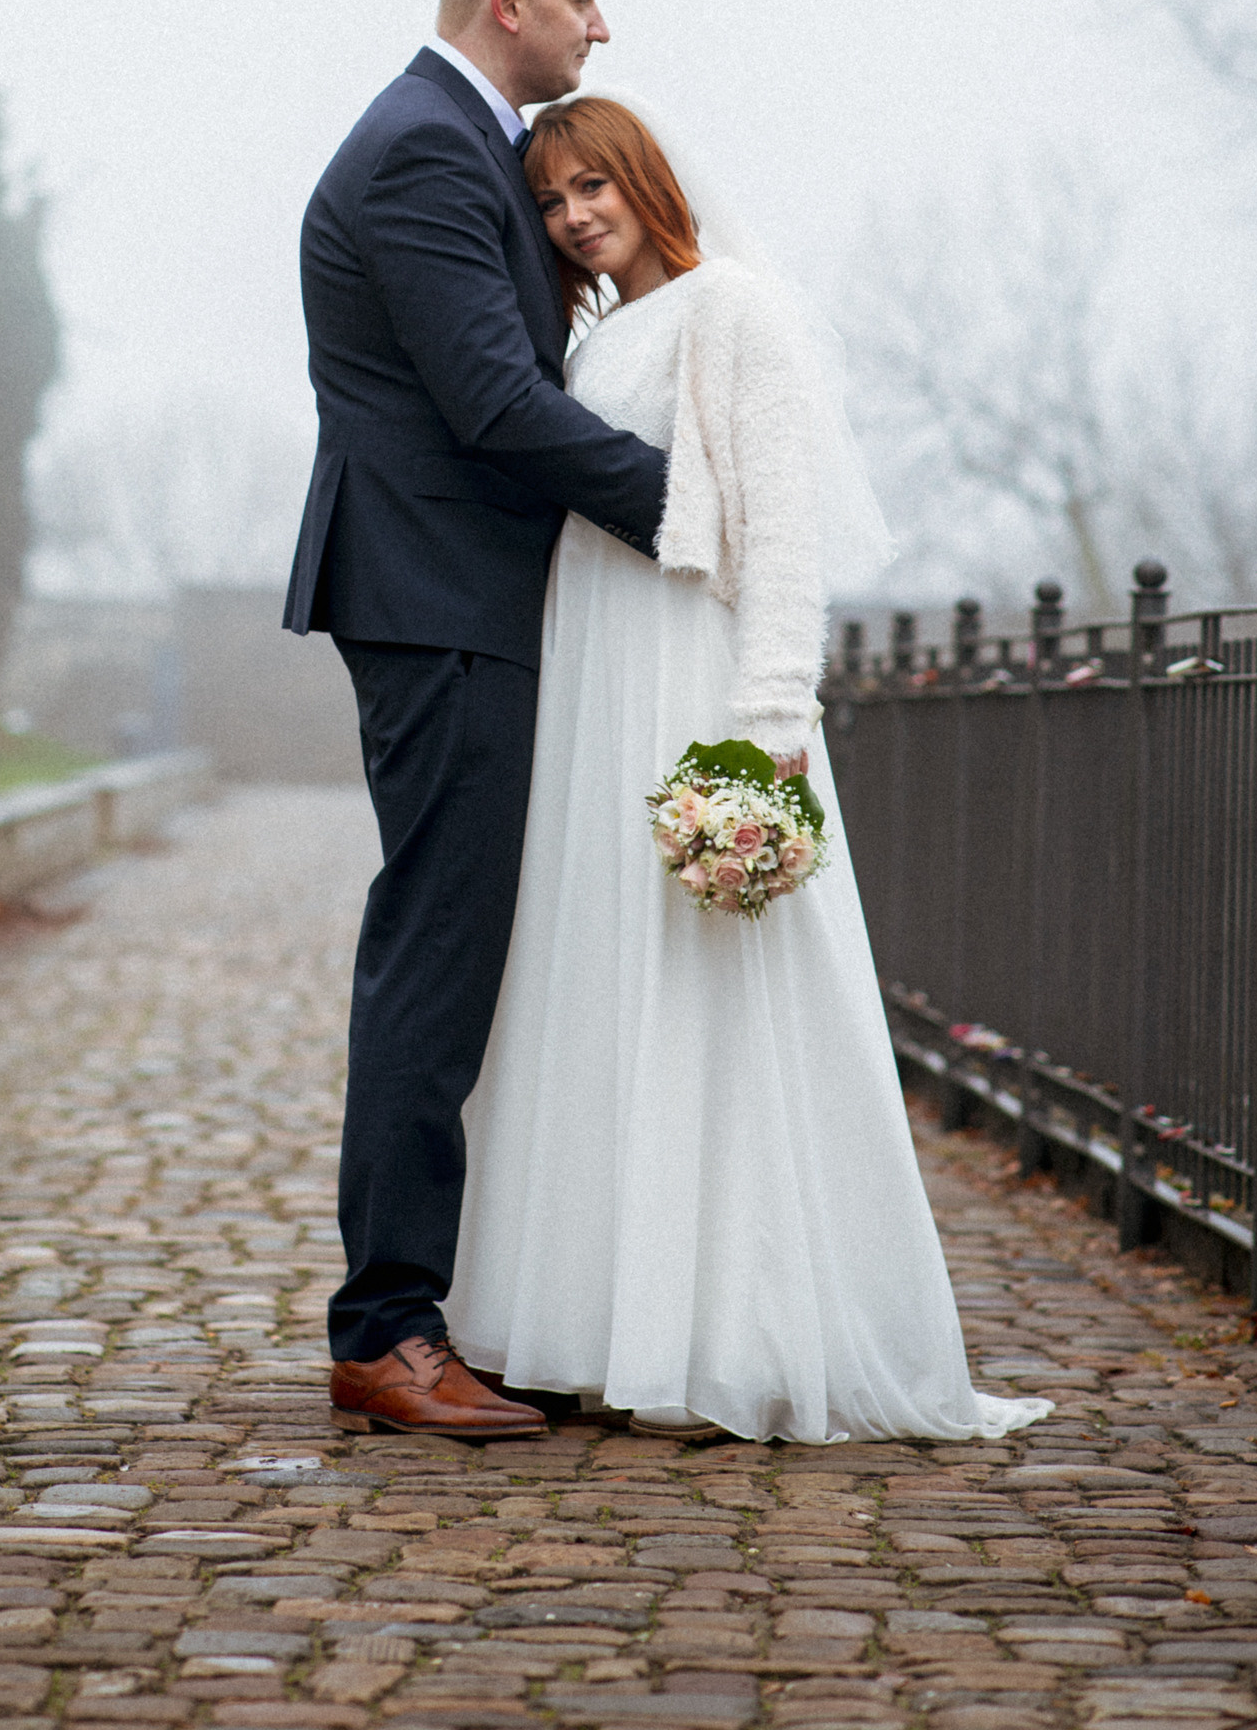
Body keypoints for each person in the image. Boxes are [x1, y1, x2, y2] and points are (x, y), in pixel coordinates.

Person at [444, 94, 1055, 1446]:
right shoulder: (600, 336)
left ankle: (730, 1331)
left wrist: (767, 722)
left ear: (647, 179)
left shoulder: (735, 313)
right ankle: (607, 1319)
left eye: (596, 186)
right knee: (607, 982)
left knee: (713, 993)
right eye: (552, 201)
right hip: (598, 680)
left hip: (692, 678)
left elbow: (782, 535)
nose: (576, 216)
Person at [285, 0, 671, 1437]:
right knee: (435, 955)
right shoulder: (427, 147)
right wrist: (687, 504)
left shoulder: (455, 136)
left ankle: (436, 1310)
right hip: (437, 598)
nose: (599, 25)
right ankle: (387, 1330)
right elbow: (498, 406)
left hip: (459, 596)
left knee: (456, 949)